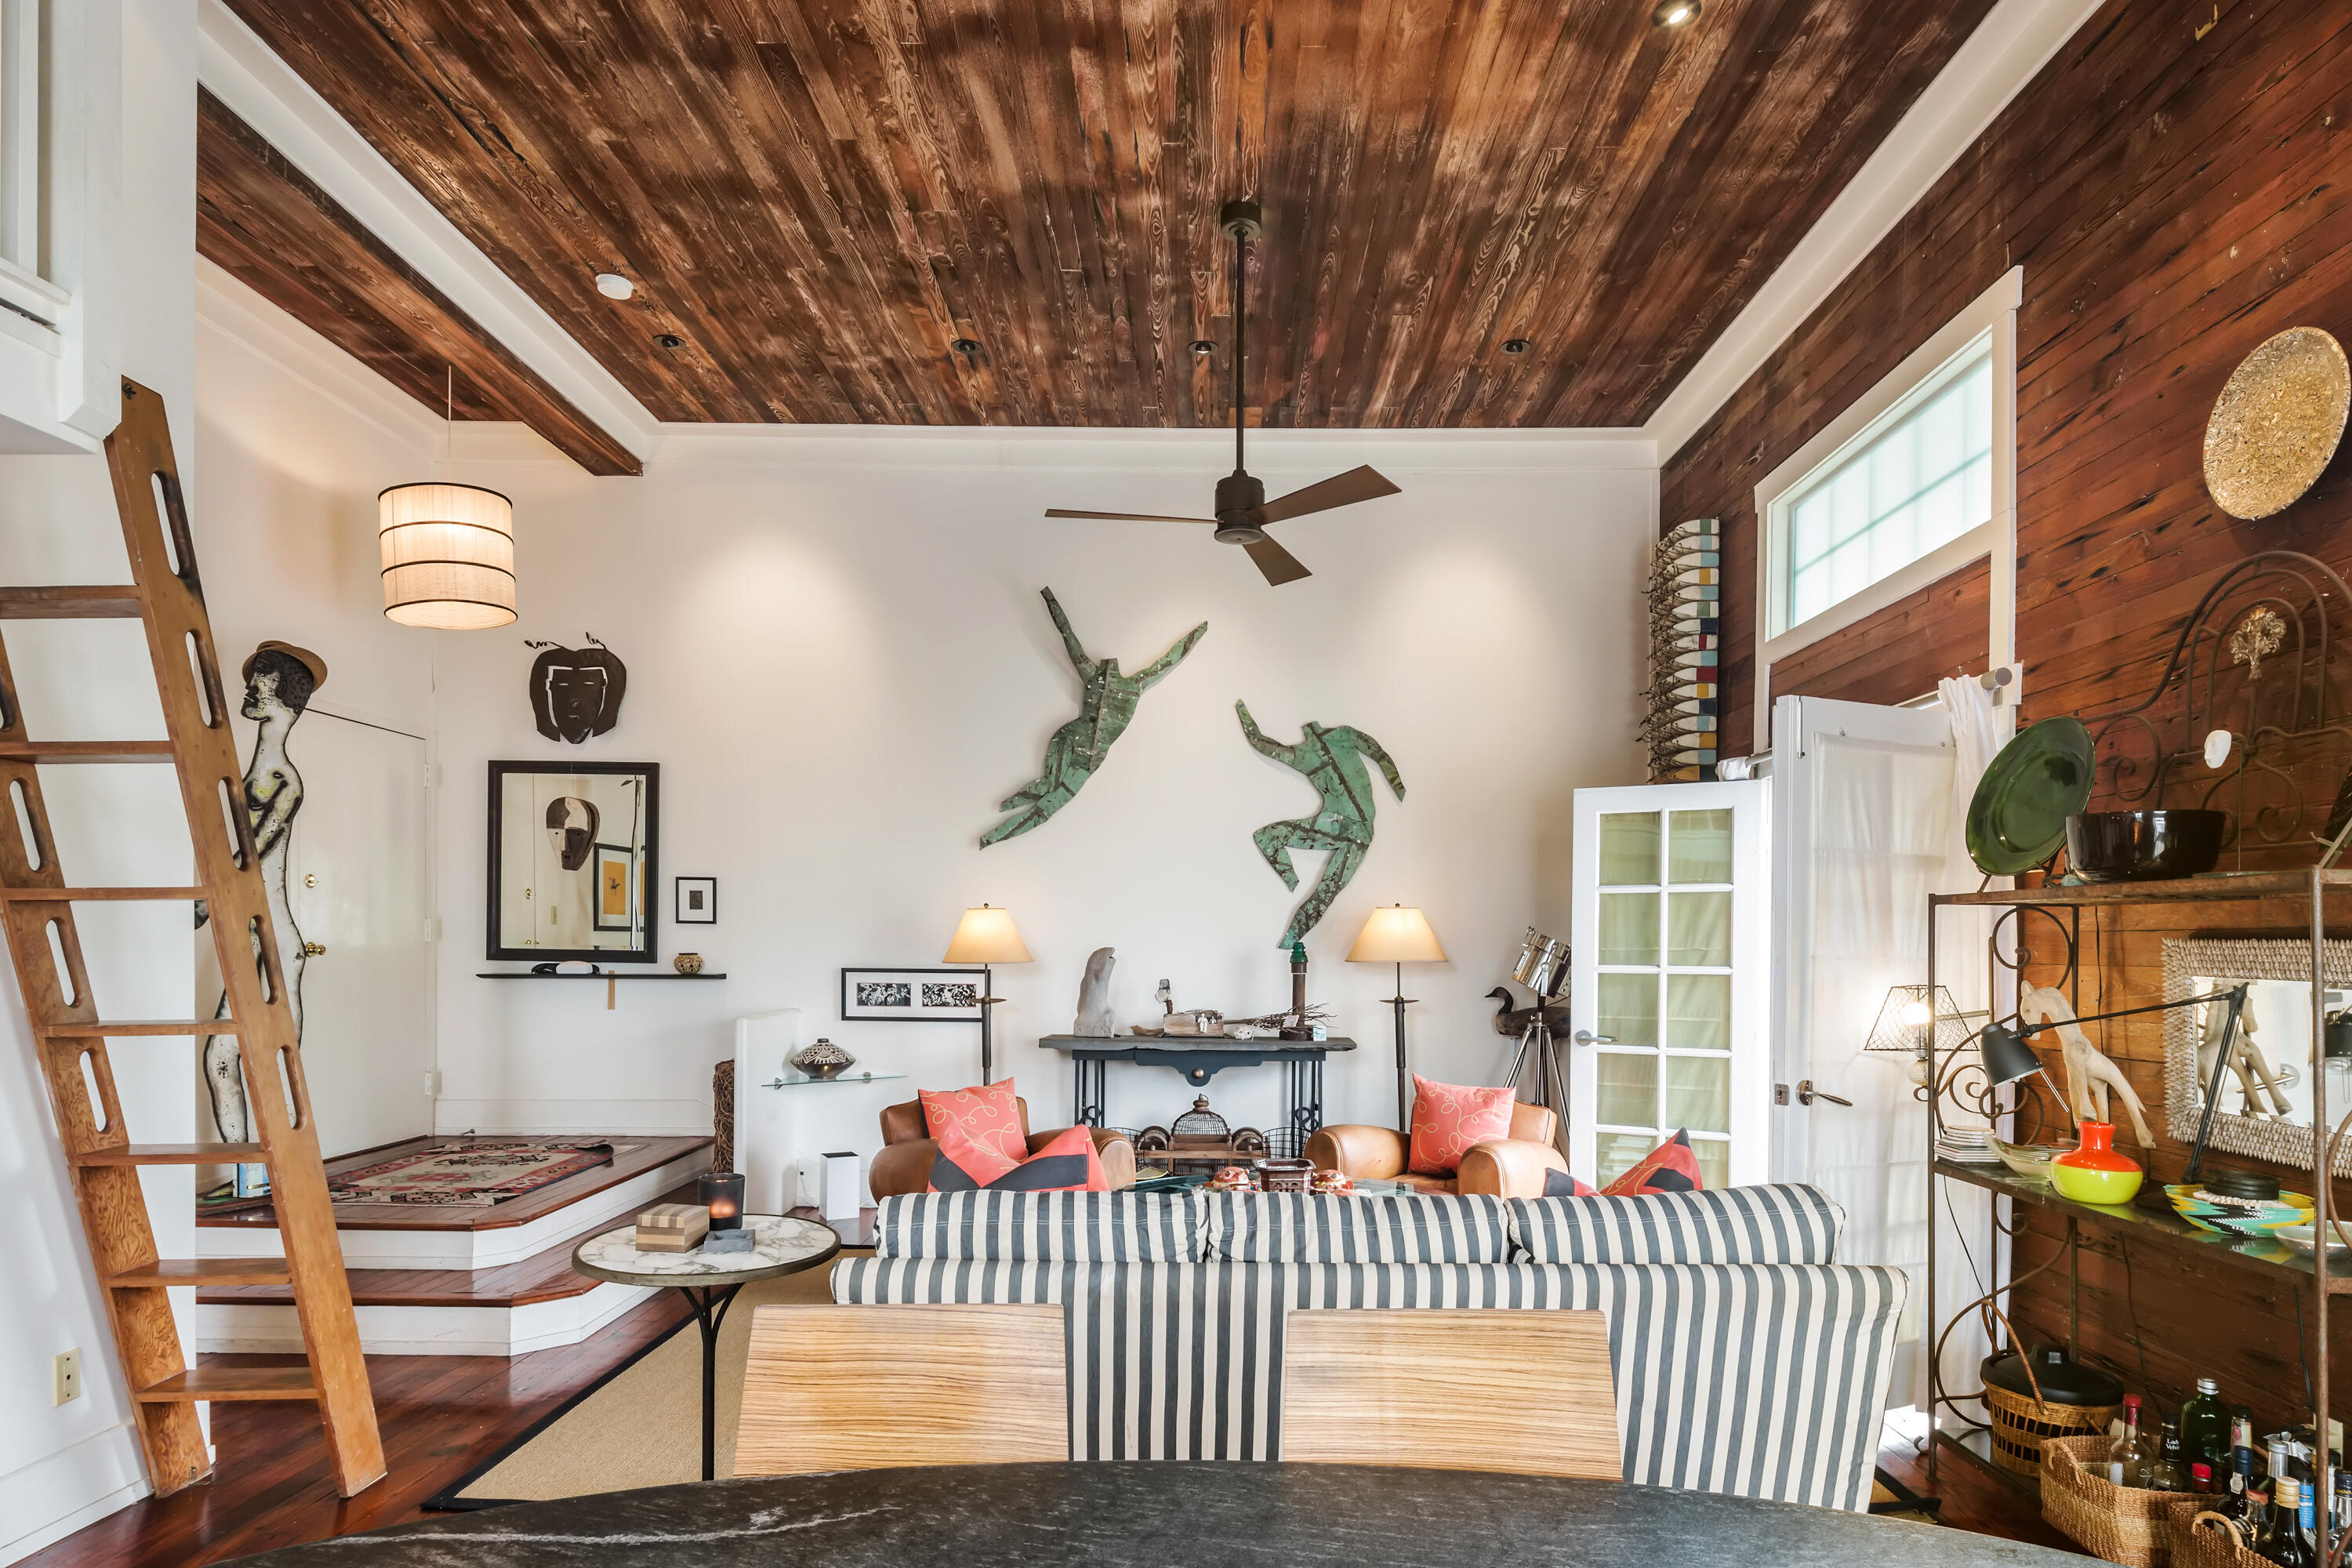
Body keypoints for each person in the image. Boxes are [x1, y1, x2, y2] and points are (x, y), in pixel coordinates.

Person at [198, 641, 325, 1197]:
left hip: (273, 939)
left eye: (262, 681)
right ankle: (249, 1177)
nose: (251, 689)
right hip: (248, 931)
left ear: (285, 695)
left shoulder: (285, 780)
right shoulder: (255, 769)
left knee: (270, 1063)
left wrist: (206, 901)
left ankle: (279, 1175)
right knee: (223, 1055)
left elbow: (250, 856)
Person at [982, 588, 1207, 846]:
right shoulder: (1116, 682)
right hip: (1074, 739)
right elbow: (1069, 639)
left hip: (1089, 754)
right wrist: (1050, 599)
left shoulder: (1123, 684)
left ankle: (998, 821)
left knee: (1051, 795)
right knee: (1051, 793)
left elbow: (1170, 658)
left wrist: (1198, 633)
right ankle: (997, 823)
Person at [1236, 700, 1404, 948]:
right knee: (1271, 838)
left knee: (1325, 892)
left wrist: (1398, 785)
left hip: (1354, 828)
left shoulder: (1335, 740)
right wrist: (1242, 711)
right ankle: (1291, 895)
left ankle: (1290, 940)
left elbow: (1377, 752)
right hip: (1338, 824)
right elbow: (1262, 744)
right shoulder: (1309, 753)